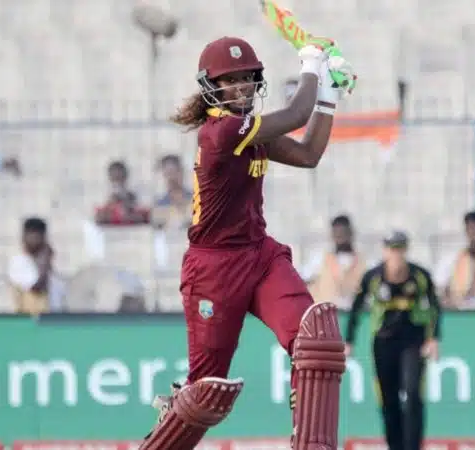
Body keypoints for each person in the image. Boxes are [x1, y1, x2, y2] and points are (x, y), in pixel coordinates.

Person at [139, 36, 356, 450]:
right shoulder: (221, 132)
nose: (241, 87)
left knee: (315, 339)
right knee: (206, 394)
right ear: (212, 87)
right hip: (213, 270)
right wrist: (311, 66)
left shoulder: (246, 129)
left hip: (260, 256)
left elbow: (308, 154)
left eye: (246, 78)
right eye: (230, 80)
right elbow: (296, 113)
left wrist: (327, 94)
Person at [345, 231, 441, 450]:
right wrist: (349, 341)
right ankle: (395, 446)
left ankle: (413, 446)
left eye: (400, 249)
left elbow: (435, 306)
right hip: (384, 342)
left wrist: (434, 338)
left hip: (412, 341)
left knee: (413, 394)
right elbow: (356, 308)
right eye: (392, 249)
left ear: (406, 250)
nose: (396, 254)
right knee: (388, 399)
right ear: (385, 251)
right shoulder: (373, 277)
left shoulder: (419, 276)